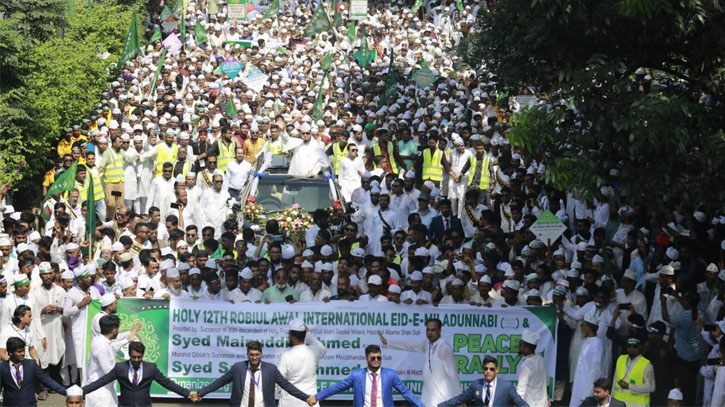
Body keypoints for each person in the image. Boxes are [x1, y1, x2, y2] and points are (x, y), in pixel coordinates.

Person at [197, 340, 315, 406]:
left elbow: (287, 386)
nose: (254, 358)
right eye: (251, 355)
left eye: (257, 355)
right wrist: (200, 393)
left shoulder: (271, 369)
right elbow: (219, 382)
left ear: (261, 354)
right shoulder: (238, 368)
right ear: (247, 354)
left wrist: (306, 398)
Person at [82, 341, 198, 405]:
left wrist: (187, 394)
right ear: (129, 354)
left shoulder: (151, 368)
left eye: (139, 357)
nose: (136, 360)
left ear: (143, 355)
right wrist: (80, 392)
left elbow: (167, 383)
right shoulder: (120, 368)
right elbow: (101, 381)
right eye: (133, 357)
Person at [378, 318, 461, 406]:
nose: (430, 333)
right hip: (428, 397)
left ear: (439, 330)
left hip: (443, 398)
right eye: (428, 330)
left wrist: (459, 399)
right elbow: (408, 345)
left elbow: (453, 375)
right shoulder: (427, 344)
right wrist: (388, 342)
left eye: (433, 330)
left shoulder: (445, 349)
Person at [315, 344, 424, 407]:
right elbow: (337, 387)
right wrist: (317, 397)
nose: (376, 360)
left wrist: (422, 406)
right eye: (373, 358)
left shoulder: (390, 374)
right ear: (366, 359)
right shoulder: (357, 375)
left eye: (379, 358)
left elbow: (406, 392)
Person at [85, 315, 140, 406]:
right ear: (114, 331)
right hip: (101, 394)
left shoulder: (99, 339)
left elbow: (111, 347)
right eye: (118, 328)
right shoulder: (102, 346)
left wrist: (127, 340)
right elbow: (109, 372)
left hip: (103, 390)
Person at [438, 355, 528, 407]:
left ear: (497, 370)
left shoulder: (506, 386)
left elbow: (520, 403)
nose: (488, 371)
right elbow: (459, 399)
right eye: (486, 368)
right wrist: (440, 406)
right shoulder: (476, 385)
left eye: (491, 369)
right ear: (482, 369)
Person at [0, 337, 67, 406]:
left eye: (23, 351)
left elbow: (47, 381)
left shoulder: (31, 365)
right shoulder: (2, 368)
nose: (23, 353)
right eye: (19, 351)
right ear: (10, 353)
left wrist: (67, 392)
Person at [278, 319, 327, 407]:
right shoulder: (314, 351)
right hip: (310, 401)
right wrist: (308, 334)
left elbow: (278, 381)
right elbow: (322, 348)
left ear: (293, 338)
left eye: (289, 335)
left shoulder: (286, 356)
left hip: (290, 402)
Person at [571, 313, 605, 407]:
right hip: (579, 385)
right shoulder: (586, 341)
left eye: (583, 325)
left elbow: (595, 371)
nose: (581, 328)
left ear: (589, 328)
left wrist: (587, 393)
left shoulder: (597, 344)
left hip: (586, 389)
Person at [612, 337, 654, 407]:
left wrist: (629, 387)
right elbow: (614, 382)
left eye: (635, 346)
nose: (632, 348)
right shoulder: (621, 359)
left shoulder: (647, 364)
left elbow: (650, 387)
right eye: (629, 346)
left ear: (640, 347)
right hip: (618, 402)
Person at [516, 330, 549, 407]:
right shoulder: (541, 359)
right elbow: (547, 383)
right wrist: (547, 398)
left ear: (527, 348)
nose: (518, 346)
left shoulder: (526, 365)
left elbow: (521, 391)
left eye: (520, 344)